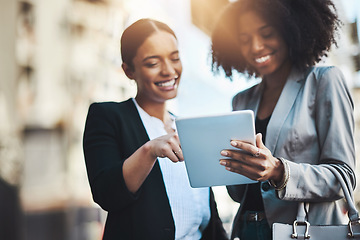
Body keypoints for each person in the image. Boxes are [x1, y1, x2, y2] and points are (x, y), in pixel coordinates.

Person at [211, 0, 356, 240]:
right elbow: (239, 193)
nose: (256, 46)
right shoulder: (241, 101)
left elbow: (344, 177)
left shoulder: (324, 81)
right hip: (247, 230)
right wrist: (223, 164)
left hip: (302, 232)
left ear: (290, 29)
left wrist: (279, 171)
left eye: (267, 34)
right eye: (244, 39)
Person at [83, 18, 228, 240]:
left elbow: (206, 210)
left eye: (175, 58)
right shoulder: (108, 117)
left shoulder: (186, 127)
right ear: (128, 70)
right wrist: (149, 150)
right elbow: (107, 193)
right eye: (153, 63)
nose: (169, 71)